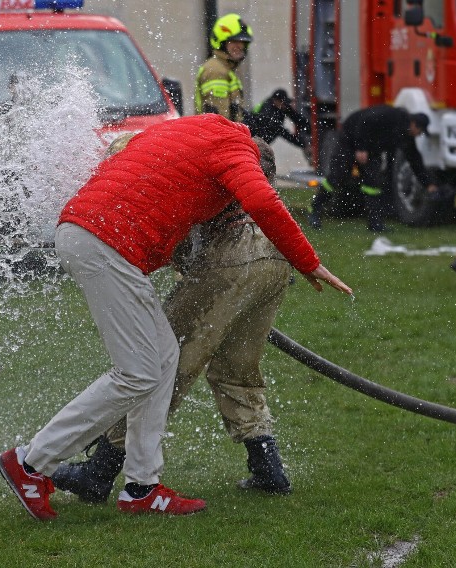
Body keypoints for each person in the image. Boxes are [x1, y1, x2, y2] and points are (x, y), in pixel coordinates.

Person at [0, 114, 353, 520]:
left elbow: (129, 159)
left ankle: (141, 487)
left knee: (164, 357)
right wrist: (305, 261)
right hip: (104, 243)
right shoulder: (237, 149)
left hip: (92, 234)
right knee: (137, 373)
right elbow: (261, 201)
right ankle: (31, 463)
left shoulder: (191, 126)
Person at [51, 138, 295, 503]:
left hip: (229, 258)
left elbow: (169, 239)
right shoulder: (207, 149)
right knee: (237, 365)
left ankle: (99, 471)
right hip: (274, 256)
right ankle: (267, 464)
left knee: (162, 368)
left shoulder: (154, 170)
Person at [309, 105, 436, 232]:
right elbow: (364, 122)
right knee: (337, 177)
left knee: (373, 184)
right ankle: (315, 209)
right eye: (420, 131)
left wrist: (428, 184)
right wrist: (361, 147)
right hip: (350, 139)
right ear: (414, 124)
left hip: (371, 149)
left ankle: (375, 224)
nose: (419, 135)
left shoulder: (406, 137)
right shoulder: (393, 116)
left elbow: (415, 161)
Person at [195, 13, 252, 122]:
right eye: (234, 41)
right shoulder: (216, 70)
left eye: (242, 42)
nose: (239, 46)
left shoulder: (225, 68)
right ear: (221, 42)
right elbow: (220, 119)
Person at [246, 89, 311, 160]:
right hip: (254, 139)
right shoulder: (269, 112)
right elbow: (284, 133)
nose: (285, 105)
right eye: (283, 103)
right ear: (275, 101)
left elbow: (295, 117)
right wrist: (303, 144)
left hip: (261, 138)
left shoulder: (281, 106)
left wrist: (309, 127)